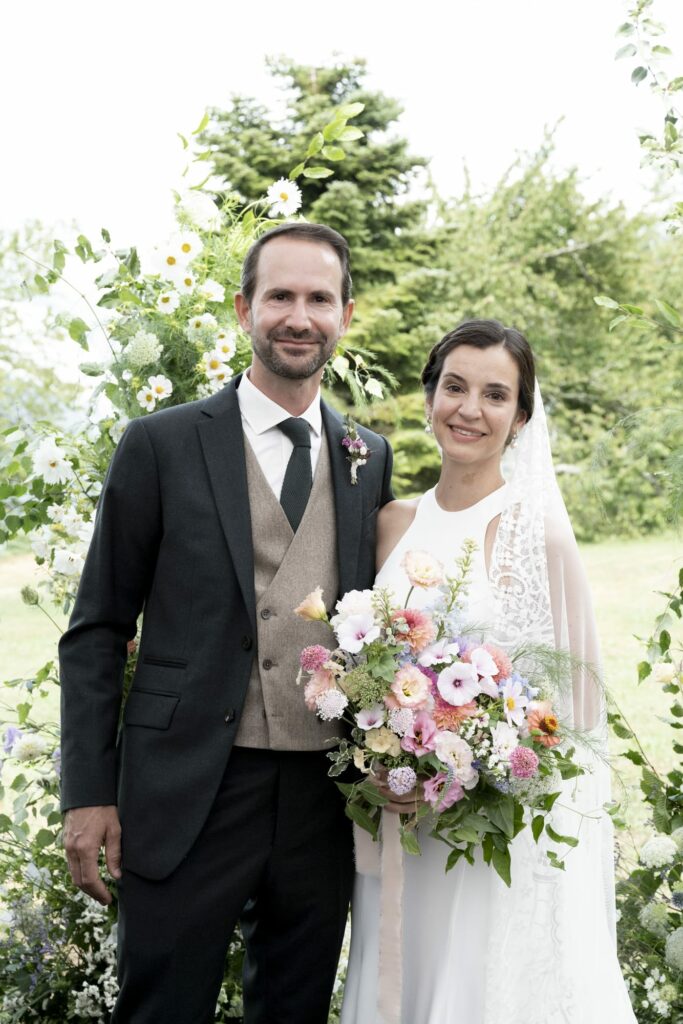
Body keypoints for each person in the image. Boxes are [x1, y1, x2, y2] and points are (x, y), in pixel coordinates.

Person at [59, 221, 394, 1024]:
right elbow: (97, 626)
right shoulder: (159, 444)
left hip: (320, 796)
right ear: (245, 307)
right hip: (187, 787)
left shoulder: (367, 456)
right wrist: (89, 793)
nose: (298, 315)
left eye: (319, 298)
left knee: (294, 1008)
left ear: (345, 314)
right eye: (279, 295)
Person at [341, 319, 636, 1024]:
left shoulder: (536, 534)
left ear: (520, 418)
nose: (469, 409)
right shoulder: (391, 522)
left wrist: (469, 765)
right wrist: (380, 754)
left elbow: (572, 713)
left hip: (485, 842)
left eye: (494, 395)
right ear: (429, 397)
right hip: (398, 822)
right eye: (454, 386)